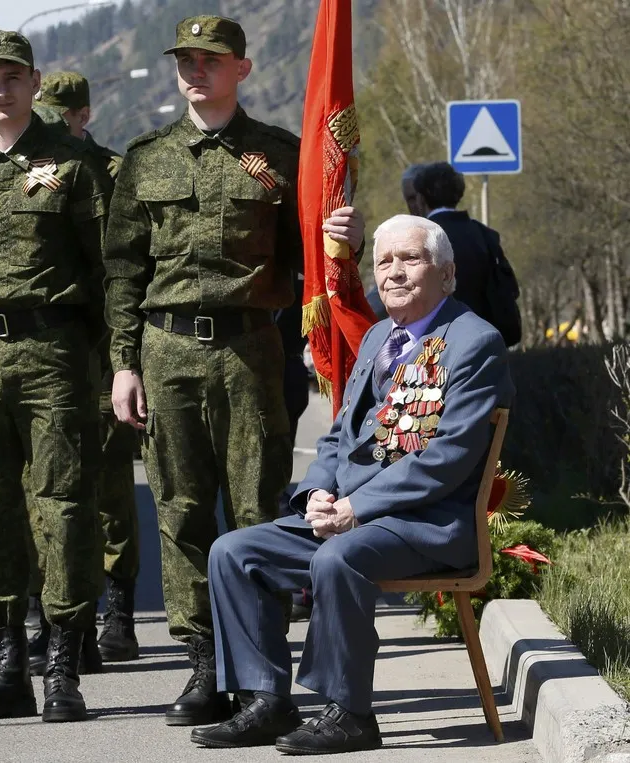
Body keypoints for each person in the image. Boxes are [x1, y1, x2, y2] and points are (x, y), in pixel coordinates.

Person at [103, 15, 364, 726]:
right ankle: (204, 665)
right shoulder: (146, 158)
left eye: (211, 60)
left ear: (241, 70)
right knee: (181, 510)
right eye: (186, 59)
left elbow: (310, 257)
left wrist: (347, 243)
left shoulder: (280, 154)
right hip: (166, 350)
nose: (196, 70)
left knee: (254, 511)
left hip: (251, 348)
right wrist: (124, 364)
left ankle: (261, 672)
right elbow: (123, 268)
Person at [191, 215, 514, 754]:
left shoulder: (472, 341)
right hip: (351, 517)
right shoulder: (378, 339)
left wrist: (355, 509)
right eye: (383, 261)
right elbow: (340, 436)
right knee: (233, 551)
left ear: (448, 274)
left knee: (338, 558)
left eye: (410, 259)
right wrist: (317, 491)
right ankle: (267, 701)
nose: (392, 272)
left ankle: (351, 714)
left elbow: (448, 457)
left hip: (424, 525)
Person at [0, 30, 109, 724]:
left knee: (63, 506)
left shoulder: (74, 163)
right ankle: (7, 661)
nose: (1, 88)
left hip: (53, 354)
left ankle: (63, 663)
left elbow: (106, 268)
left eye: (13, 76)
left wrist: (89, 348)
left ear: (35, 82)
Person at [28, 70, 140, 666]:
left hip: (102, 350)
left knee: (110, 488)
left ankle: (118, 613)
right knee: (47, 488)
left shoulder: (115, 173)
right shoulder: (31, 171)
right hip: (52, 351)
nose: (52, 124)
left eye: (61, 114)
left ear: (83, 115)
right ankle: (55, 613)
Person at [412, 161, 499, 325]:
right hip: (485, 330)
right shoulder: (486, 235)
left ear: (422, 198)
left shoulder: (419, 237)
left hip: (436, 337)